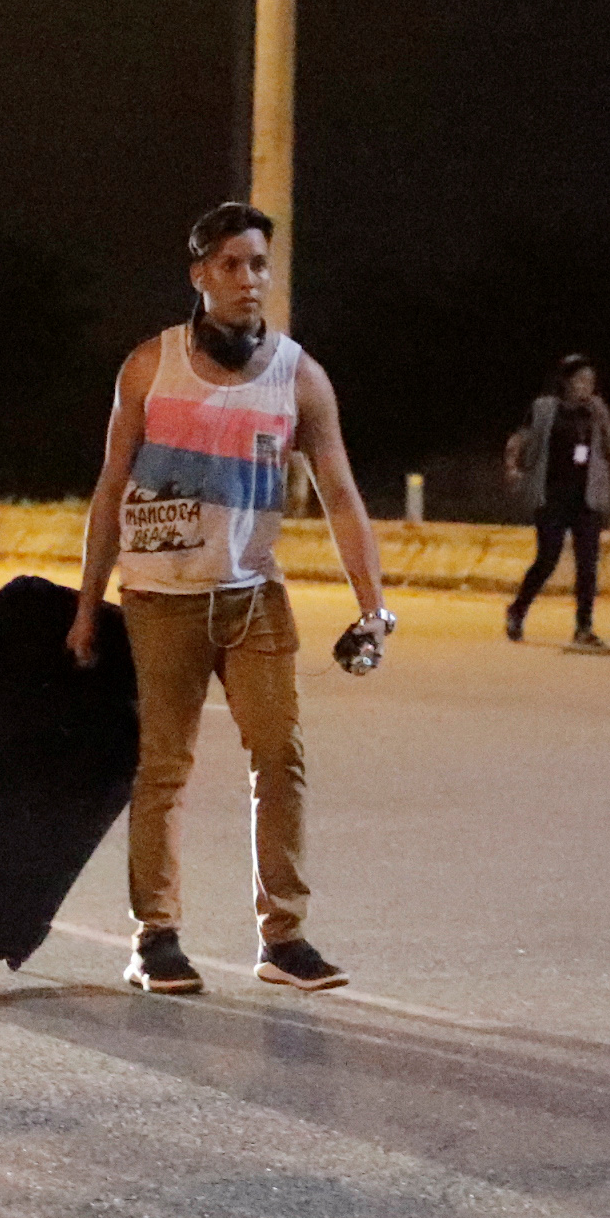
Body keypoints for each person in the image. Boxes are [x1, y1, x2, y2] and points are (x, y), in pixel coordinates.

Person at [67, 202, 391, 999]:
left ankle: (284, 937)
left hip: (253, 596)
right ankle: (157, 937)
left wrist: (372, 605)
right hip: (162, 596)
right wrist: (86, 603)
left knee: (280, 758)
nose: (251, 280)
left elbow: (342, 494)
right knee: (164, 768)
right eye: (234, 265)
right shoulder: (150, 366)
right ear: (200, 274)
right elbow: (110, 487)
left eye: (260, 265)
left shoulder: (298, 376)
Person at [503, 357, 610, 648]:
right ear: (566, 381)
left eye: (591, 382)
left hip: (586, 498)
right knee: (548, 558)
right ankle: (518, 609)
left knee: (588, 564)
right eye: (580, 380)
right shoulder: (545, 408)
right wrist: (512, 467)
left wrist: (603, 415)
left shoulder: (595, 412)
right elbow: (519, 439)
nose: (586, 387)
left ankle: (584, 626)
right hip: (552, 495)